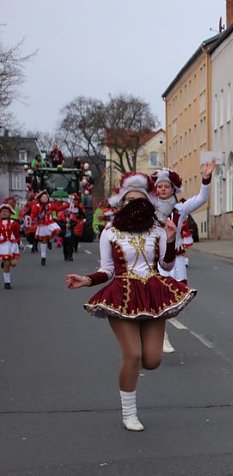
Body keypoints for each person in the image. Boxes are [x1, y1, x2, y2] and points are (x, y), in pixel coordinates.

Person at [64, 172, 197, 432]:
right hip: (122, 296)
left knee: (152, 360)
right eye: (128, 201)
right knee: (133, 354)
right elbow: (108, 269)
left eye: (139, 200)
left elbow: (166, 265)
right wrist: (87, 280)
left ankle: (135, 383)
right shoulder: (110, 232)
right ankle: (129, 413)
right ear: (120, 204)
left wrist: (170, 241)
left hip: (153, 293)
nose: (134, 204)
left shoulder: (157, 231)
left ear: (148, 203)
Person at [151, 160, 216, 353]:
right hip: (157, 258)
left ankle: (160, 325)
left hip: (176, 258)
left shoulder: (180, 209)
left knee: (178, 297)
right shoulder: (150, 209)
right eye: (159, 187)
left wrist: (206, 178)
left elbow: (201, 199)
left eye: (166, 186)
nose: (163, 189)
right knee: (161, 297)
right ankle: (162, 335)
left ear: (173, 189)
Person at [28, 190, 61, 265]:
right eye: (43, 197)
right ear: (40, 198)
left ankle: (50, 239)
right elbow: (32, 215)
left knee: (58, 230)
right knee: (43, 240)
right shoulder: (36, 206)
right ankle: (43, 256)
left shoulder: (50, 205)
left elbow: (62, 207)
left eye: (46, 197)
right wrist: (33, 219)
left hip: (50, 223)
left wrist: (60, 201)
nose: (45, 198)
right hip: (42, 225)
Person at [0, 203, 22, 289]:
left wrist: (19, 242)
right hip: (3, 244)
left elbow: (17, 234)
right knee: (6, 263)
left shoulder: (14, 223)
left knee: (13, 263)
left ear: (10, 213)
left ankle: (5, 263)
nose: (4, 213)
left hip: (12, 244)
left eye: (6, 211)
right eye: (3, 211)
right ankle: (7, 282)